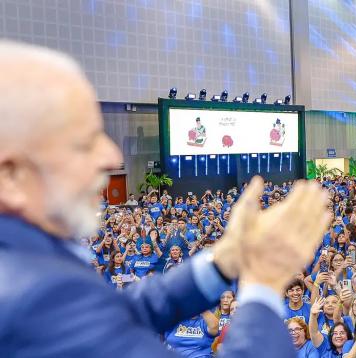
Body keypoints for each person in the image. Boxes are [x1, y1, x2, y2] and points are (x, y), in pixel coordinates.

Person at [0, 41, 330, 357]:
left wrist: (224, 259)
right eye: (83, 143)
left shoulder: (26, 266)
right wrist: (264, 285)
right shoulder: (33, 297)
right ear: (12, 175)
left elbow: (116, 313)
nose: (111, 155)